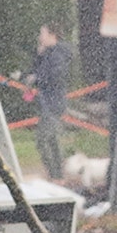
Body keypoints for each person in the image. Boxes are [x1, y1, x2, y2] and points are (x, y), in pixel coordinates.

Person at [29, 23, 73, 180]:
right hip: (46, 103)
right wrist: (39, 56)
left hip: (53, 104)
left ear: (52, 35)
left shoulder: (58, 55)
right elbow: (37, 70)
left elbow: (55, 77)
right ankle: (57, 174)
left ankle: (56, 174)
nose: (40, 37)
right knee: (52, 140)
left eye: (43, 34)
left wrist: (38, 79)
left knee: (44, 140)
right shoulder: (47, 54)